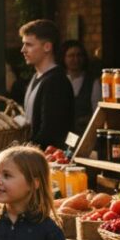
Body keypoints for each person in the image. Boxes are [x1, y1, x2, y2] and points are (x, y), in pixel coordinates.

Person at [20, 20, 74, 149]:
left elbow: (50, 132)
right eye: (24, 44)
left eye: (29, 45)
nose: (23, 50)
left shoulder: (56, 81)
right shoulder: (36, 77)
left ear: (47, 47)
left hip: (49, 160)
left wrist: (24, 152)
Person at [59, 39, 101, 135]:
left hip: (84, 133)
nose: (76, 59)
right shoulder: (59, 80)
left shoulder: (92, 83)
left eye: (79, 55)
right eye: (71, 56)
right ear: (64, 58)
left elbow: (97, 113)